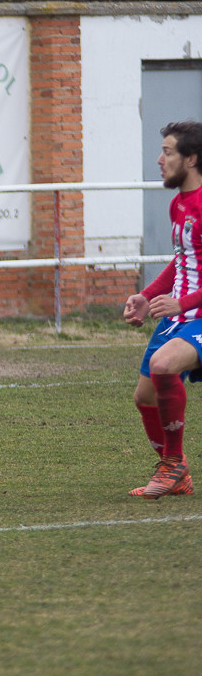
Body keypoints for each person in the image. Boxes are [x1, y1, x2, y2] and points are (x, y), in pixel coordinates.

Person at [121, 120, 202, 499]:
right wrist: (146, 294)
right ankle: (176, 473)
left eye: (167, 152)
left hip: (195, 314)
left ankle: (173, 466)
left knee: (164, 365)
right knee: (145, 396)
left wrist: (183, 303)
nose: (159, 159)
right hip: (178, 316)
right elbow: (182, 261)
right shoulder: (178, 204)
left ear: (192, 158)